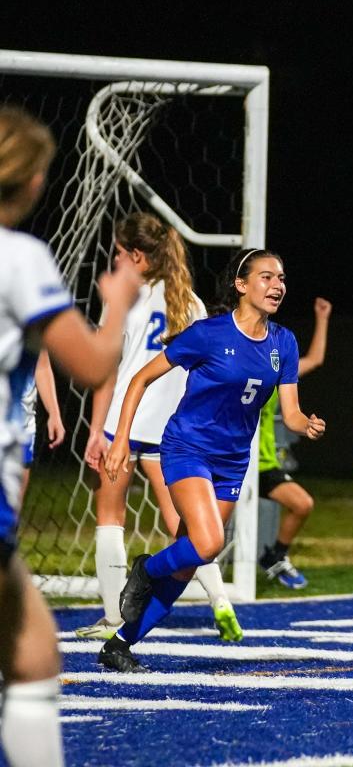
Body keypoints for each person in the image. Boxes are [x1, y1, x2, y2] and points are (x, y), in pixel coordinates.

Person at [97, 247, 325, 673]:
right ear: (241, 285)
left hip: (233, 462)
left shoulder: (284, 343)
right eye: (267, 277)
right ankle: (146, 570)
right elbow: (140, 379)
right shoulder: (208, 334)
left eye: (282, 278)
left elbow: (289, 413)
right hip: (188, 448)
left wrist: (306, 423)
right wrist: (120, 439)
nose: (278, 285)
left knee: (187, 565)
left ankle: (120, 644)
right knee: (209, 543)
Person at [0, 105, 140, 767]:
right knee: (30, 653)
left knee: (31, 646)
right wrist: (116, 304)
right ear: (29, 184)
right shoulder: (20, 257)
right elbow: (89, 362)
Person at [75, 212, 242, 642]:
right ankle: (220, 600)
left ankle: (114, 619)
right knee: (186, 527)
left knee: (111, 518)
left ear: (137, 256)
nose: (116, 260)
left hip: (124, 424)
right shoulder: (194, 303)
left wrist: (98, 431)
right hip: (173, 431)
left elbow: (108, 372)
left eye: (119, 253)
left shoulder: (125, 299)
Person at [258, 297, 331, 589]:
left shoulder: (279, 372)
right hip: (230, 458)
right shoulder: (232, 365)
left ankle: (275, 556)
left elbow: (314, 360)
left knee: (302, 503)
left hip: (262, 465)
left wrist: (322, 318)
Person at [17, 350, 66, 508]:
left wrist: (54, 413)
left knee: (10, 513)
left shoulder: (30, 325)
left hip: (21, 425)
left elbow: (42, 366)